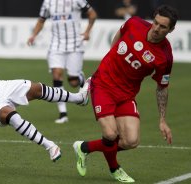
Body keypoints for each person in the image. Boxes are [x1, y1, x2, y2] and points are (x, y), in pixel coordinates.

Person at [73, 5, 178, 183]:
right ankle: (115, 170)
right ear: (153, 19)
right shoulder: (134, 23)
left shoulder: (165, 57)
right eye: (155, 23)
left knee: (131, 141)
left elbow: (162, 87)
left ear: (171, 30)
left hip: (126, 94)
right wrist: (110, 57)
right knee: (110, 134)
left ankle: (84, 147)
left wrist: (162, 119)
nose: (156, 29)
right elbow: (119, 36)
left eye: (163, 27)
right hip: (103, 84)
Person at [27, 0, 97, 124]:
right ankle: (63, 113)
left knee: (73, 82)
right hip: (56, 45)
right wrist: (33, 35)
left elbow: (92, 14)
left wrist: (87, 32)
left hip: (75, 44)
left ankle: (81, 79)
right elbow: (41, 20)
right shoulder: (48, 2)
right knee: (57, 74)